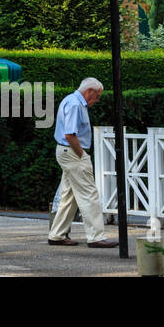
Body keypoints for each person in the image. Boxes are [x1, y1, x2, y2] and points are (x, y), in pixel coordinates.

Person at [48, 77, 119, 248]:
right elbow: (70, 134)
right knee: (89, 193)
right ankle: (96, 236)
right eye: (97, 96)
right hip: (72, 153)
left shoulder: (70, 100)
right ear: (89, 92)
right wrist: (82, 155)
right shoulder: (75, 105)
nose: (98, 99)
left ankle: (57, 234)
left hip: (66, 152)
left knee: (69, 195)